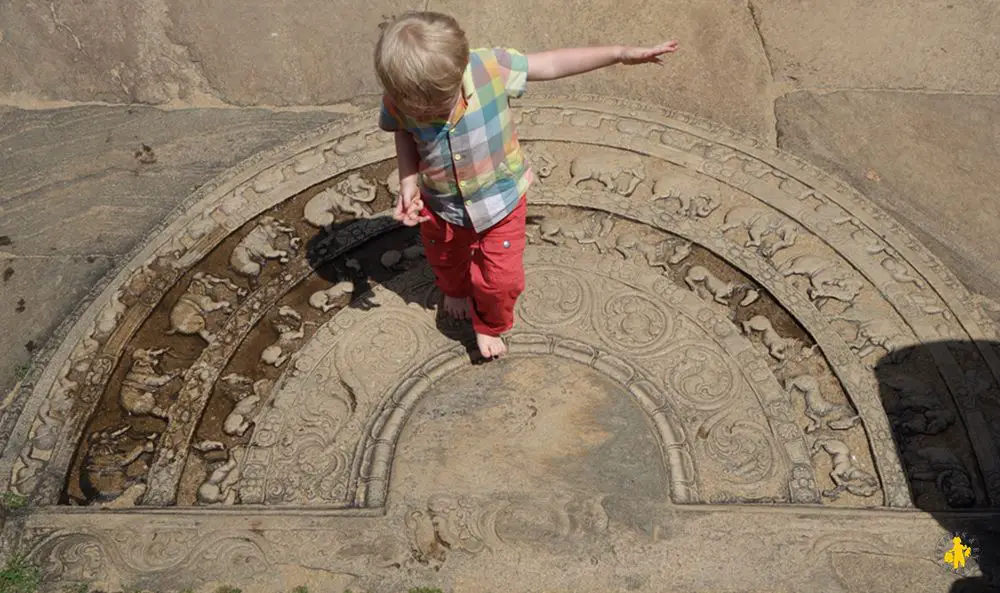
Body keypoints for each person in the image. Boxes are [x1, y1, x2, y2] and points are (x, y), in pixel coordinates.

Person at [374, 11, 678, 359]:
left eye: (439, 105)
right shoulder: (401, 98)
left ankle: (489, 323)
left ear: (460, 68)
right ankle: (455, 288)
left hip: (501, 200)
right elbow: (403, 133)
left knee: (503, 280)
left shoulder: (489, 67)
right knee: (444, 257)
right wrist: (408, 180)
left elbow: (551, 62)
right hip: (442, 205)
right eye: (419, 110)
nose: (429, 115)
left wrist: (620, 53)